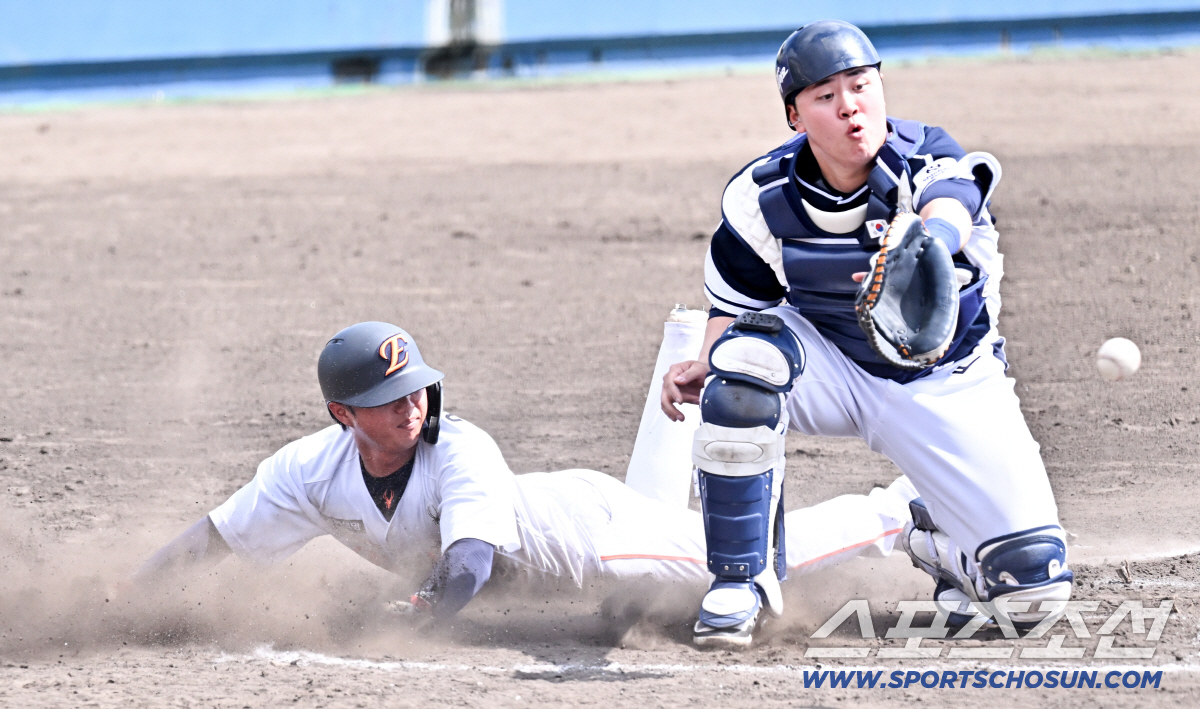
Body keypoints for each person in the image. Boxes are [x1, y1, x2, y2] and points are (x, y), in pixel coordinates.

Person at [660, 20, 1072, 647]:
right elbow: (739, 299)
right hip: (832, 365)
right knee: (742, 367)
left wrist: (927, 244)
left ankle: (931, 535)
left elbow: (952, 201)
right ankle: (739, 583)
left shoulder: (922, 155)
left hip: (946, 382)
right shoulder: (761, 196)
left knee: (1033, 590)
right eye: (826, 96)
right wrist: (709, 361)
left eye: (861, 85)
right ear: (795, 116)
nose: (850, 106)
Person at [134, 321, 916, 631]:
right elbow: (215, 537)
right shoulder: (307, 470)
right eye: (383, 398)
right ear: (344, 414)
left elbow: (469, 562)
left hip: (594, 539)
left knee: (739, 565)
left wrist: (414, 620)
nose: (409, 406)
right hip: (567, 526)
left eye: (415, 388)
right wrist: (131, 601)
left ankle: (900, 510)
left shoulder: (458, 445)